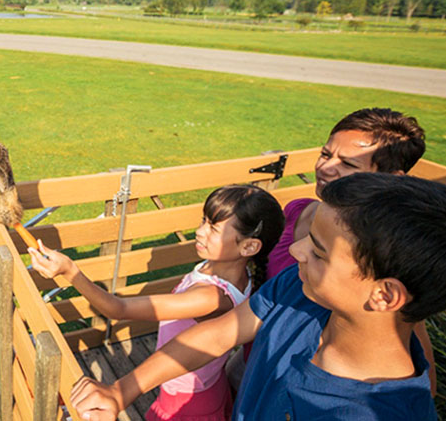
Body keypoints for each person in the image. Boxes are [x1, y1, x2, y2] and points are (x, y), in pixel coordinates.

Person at [70, 173, 443, 421]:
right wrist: (121, 391)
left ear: (385, 294)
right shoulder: (296, 291)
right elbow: (216, 335)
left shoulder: (379, 412)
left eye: (318, 251)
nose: (295, 252)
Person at [29, 185, 284, 421]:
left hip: (186, 402)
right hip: (205, 387)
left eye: (213, 229)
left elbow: (117, 308)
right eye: (203, 221)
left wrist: (70, 271)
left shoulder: (209, 297)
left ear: (249, 246)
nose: (200, 231)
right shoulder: (235, 272)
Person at [256, 107, 436, 396]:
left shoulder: (382, 264)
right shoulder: (297, 211)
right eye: (326, 154)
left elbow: (421, 377)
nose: (325, 168)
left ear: (391, 178)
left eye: (349, 164)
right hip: (257, 365)